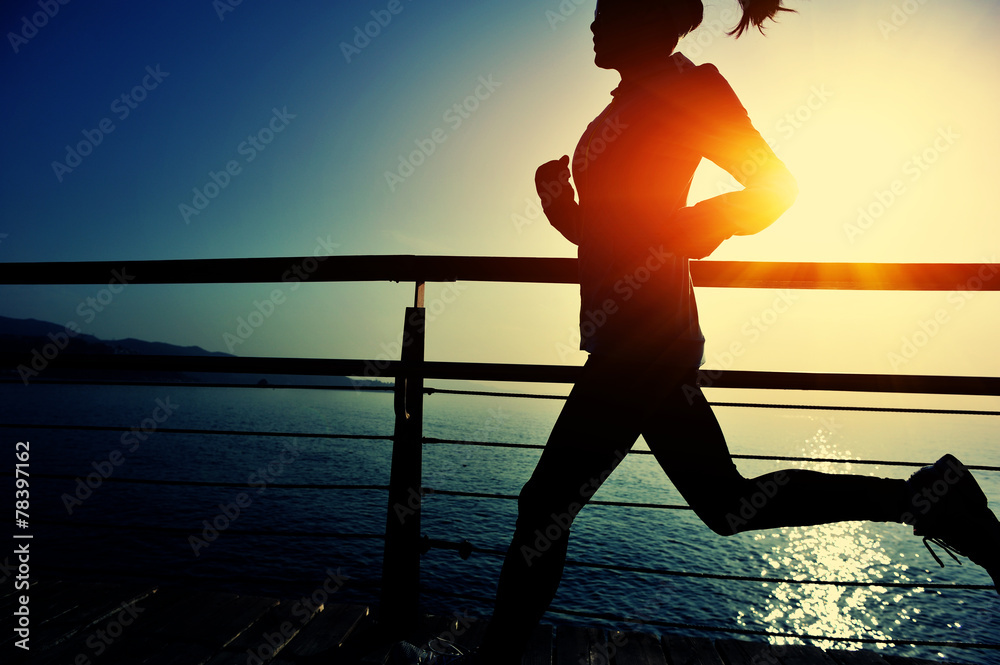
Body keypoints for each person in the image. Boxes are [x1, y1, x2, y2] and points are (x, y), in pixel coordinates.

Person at [388, 1, 1000, 663]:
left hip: (646, 338)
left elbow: (775, 186)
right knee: (724, 502)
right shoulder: (622, 104)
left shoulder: (690, 86)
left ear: (646, 16)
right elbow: (612, 235)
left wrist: (691, 226)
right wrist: (563, 209)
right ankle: (929, 495)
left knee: (545, 504)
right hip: (631, 334)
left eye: (605, 10)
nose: (591, 23)